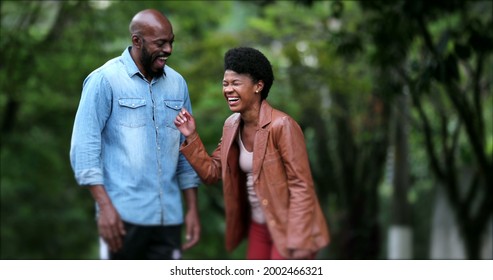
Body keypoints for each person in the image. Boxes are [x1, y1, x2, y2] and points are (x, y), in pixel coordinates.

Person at [174, 47, 330, 259]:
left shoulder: (282, 126)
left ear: (258, 86)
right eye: (225, 84)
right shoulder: (231, 126)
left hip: (290, 227)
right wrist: (191, 136)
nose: (228, 89)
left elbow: (301, 185)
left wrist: (300, 239)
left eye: (236, 83)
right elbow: (212, 172)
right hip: (259, 226)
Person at [70, 9, 201, 260]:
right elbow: (85, 149)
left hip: (168, 219)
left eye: (171, 42)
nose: (169, 50)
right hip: (121, 218)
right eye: (160, 43)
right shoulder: (104, 80)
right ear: (137, 41)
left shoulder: (178, 84)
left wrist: (192, 209)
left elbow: (186, 148)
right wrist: (104, 209)